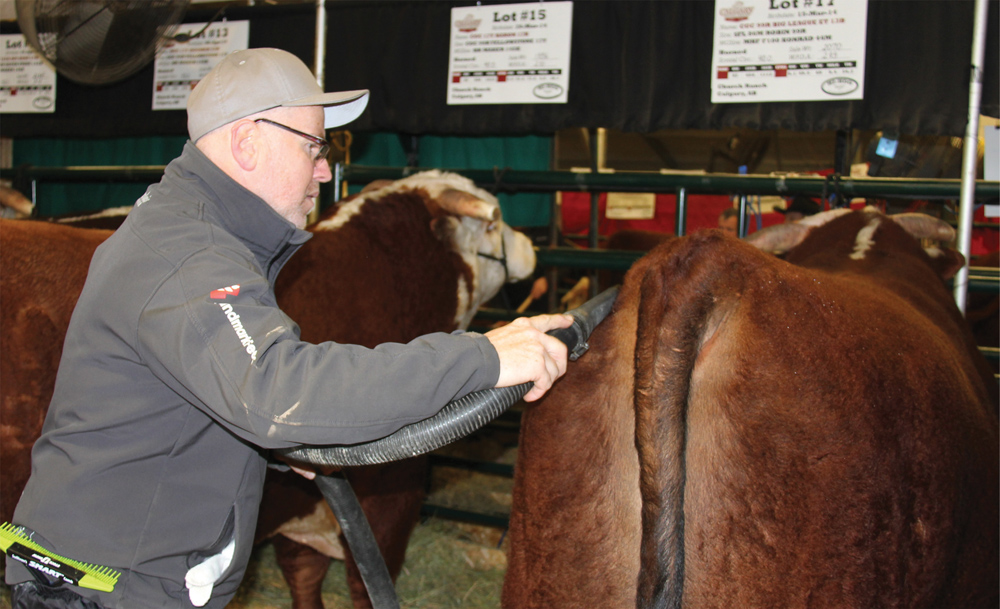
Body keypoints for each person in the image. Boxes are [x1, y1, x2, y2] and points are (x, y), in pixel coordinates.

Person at [5, 48, 572, 609]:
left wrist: (274, 447)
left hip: (114, 576)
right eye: (312, 147)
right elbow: (280, 389)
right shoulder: (190, 255)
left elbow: (190, 394)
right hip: (109, 591)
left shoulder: (194, 234)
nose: (325, 169)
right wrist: (484, 356)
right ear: (248, 142)